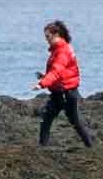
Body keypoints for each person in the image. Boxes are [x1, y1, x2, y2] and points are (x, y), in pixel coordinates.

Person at [35, 19, 93, 147]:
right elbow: (59, 73)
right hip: (59, 92)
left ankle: (91, 147)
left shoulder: (62, 51)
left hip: (66, 93)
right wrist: (44, 77)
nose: (46, 39)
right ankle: (41, 148)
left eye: (47, 36)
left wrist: (42, 84)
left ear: (56, 35)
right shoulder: (58, 49)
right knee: (46, 120)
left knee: (76, 122)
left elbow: (57, 71)